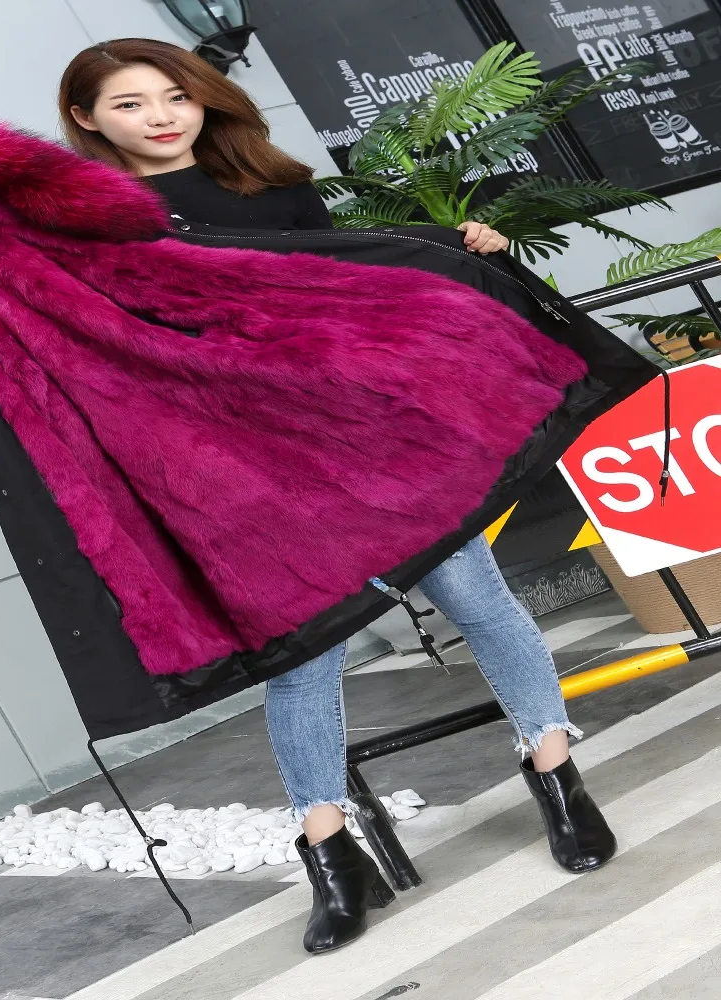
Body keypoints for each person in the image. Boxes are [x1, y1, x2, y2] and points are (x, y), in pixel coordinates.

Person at [58, 38, 616, 954]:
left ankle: (558, 777)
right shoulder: (86, 226)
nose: (161, 116)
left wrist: (452, 247)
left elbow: (352, 285)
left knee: (479, 601)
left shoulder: (270, 188)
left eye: (176, 95)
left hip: (362, 439)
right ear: (85, 118)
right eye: (130, 104)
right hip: (245, 467)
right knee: (302, 657)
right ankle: (330, 850)